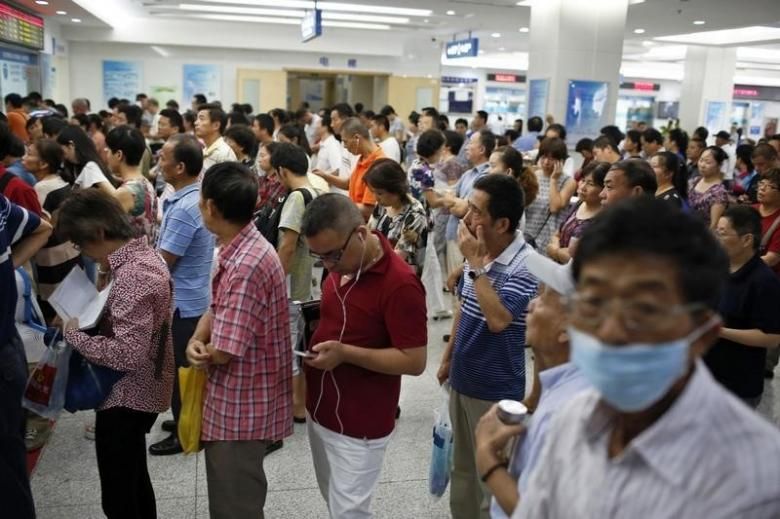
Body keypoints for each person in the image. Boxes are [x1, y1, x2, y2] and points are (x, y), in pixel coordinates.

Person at [511, 197, 780, 518]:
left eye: (643, 312)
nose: (609, 332)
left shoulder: (753, 485)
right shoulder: (573, 419)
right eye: (594, 303)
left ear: (702, 333)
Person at [301, 193, 427, 518]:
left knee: (349, 512)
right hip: (321, 407)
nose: (327, 266)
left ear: (360, 234)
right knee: (334, 500)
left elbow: (414, 360)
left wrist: (345, 353)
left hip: (360, 422)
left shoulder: (400, 285)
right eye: (319, 258)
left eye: (332, 255)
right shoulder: (343, 264)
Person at [58, 190, 174, 519]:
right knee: (135, 478)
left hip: (126, 394)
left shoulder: (132, 276)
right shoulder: (144, 254)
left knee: (119, 493)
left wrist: (74, 333)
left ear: (98, 233)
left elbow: (126, 354)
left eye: (82, 245)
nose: (86, 255)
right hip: (148, 383)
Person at [186, 161, 292, 519]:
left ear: (211, 207)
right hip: (237, 397)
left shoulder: (246, 263)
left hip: (241, 403)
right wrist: (199, 336)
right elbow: (217, 307)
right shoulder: (238, 247)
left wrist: (204, 352)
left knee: (235, 504)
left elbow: (227, 350)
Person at [438, 174, 537, 519]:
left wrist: (476, 268)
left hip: (495, 392)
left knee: (490, 480)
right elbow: (466, 308)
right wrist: (448, 358)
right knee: (461, 470)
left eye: (476, 212)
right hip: (463, 379)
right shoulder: (479, 253)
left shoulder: (526, 265)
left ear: (503, 223)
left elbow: (499, 320)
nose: (467, 219)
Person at [475, 252, 588, 519]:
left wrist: (488, 460)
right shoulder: (566, 381)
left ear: (567, 329)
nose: (532, 305)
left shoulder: (562, 413)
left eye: (545, 299)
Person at [148, 134, 214, 456]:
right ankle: (183, 419)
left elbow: (165, 261)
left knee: (179, 372)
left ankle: (186, 433)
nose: (159, 164)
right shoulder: (190, 198)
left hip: (184, 305)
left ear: (180, 166)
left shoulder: (186, 208)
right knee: (180, 370)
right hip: (192, 299)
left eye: (163, 158)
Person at [0, 193, 51, 519]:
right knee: (9, 458)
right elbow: (42, 227)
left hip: (4, 352)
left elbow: (43, 228)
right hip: (7, 348)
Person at [705, 206, 780, 408]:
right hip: (707, 376)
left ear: (746, 240)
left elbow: (772, 338)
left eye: (722, 233)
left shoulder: (764, 282)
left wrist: (720, 331)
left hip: (737, 386)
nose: (715, 238)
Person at [271, 142, 320, 424]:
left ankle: (295, 406)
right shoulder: (315, 191)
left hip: (291, 285)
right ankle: (300, 402)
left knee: (290, 346)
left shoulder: (296, 198)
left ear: (282, 171)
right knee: (300, 343)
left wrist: (273, 284)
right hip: (307, 283)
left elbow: (287, 246)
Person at [23, 139, 80, 316]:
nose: (24, 157)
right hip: (70, 253)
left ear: (44, 164)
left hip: (52, 260)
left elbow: (41, 229)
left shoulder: (41, 188)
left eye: (30, 154)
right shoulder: (60, 181)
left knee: (55, 312)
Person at [443, 129, 495, 279]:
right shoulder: (468, 174)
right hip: (454, 233)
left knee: (465, 286)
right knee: (454, 285)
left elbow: (463, 209)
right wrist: (456, 202)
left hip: (469, 238)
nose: (466, 147)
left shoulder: (486, 175)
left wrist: (456, 203)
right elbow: (448, 198)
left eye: (471, 143)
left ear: (482, 149)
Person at [365, 158, 428, 272]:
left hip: (399, 274)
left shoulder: (415, 214)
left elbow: (399, 255)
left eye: (379, 193)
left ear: (395, 189)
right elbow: (369, 234)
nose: (375, 197)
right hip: (376, 267)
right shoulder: (382, 205)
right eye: (373, 192)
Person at [315, 117, 383, 221]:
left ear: (357, 138)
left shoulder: (378, 164)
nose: (345, 147)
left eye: (345, 142)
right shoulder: (363, 158)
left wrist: (337, 204)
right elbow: (348, 184)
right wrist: (324, 175)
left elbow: (369, 209)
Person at [105, 125, 159, 244]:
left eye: (108, 150)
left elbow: (108, 236)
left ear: (119, 155)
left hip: (131, 260)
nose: (106, 154)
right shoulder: (145, 182)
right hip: (148, 256)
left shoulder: (124, 192)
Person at [547, 161, 608, 264]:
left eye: (590, 184)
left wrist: (555, 252)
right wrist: (558, 252)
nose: (583, 187)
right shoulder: (579, 203)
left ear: (603, 189)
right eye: (583, 180)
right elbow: (557, 234)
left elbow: (581, 260)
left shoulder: (604, 218)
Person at [523, 137, 577, 254]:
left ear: (561, 161)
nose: (546, 162)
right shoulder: (533, 176)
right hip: (527, 236)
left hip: (549, 241)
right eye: (544, 157)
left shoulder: (568, 182)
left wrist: (553, 180)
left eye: (552, 158)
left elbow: (555, 207)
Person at [57, 125, 117, 195]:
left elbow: (114, 194)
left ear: (71, 145)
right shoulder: (75, 167)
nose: (62, 154)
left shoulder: (90, 167)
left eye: (62, 150)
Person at [689, 146, 729, 229]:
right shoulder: (694, 181)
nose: (702, 165)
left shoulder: (719, 192)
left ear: (719, 165)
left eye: (708, 162)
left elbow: (714, 225)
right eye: (701, 160)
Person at [195, 103, 237, 171]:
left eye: (201, 119)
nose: (196, 123)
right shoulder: (205, 150)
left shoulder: (224, 154)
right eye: (196, 119)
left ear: (216, 125)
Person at [756, 169, 780, 276]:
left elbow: (772, 259)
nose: (762, 188)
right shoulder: (749, 210)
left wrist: (742, 265)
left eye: (770, 186)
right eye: (761, 183)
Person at [313, 113, 344, 194]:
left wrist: (323, 185)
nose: (316, 126)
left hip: (329, 192)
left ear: (325, 127)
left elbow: (337, 170)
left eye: (318, 123)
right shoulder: (323, 144)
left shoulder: (332, 145)